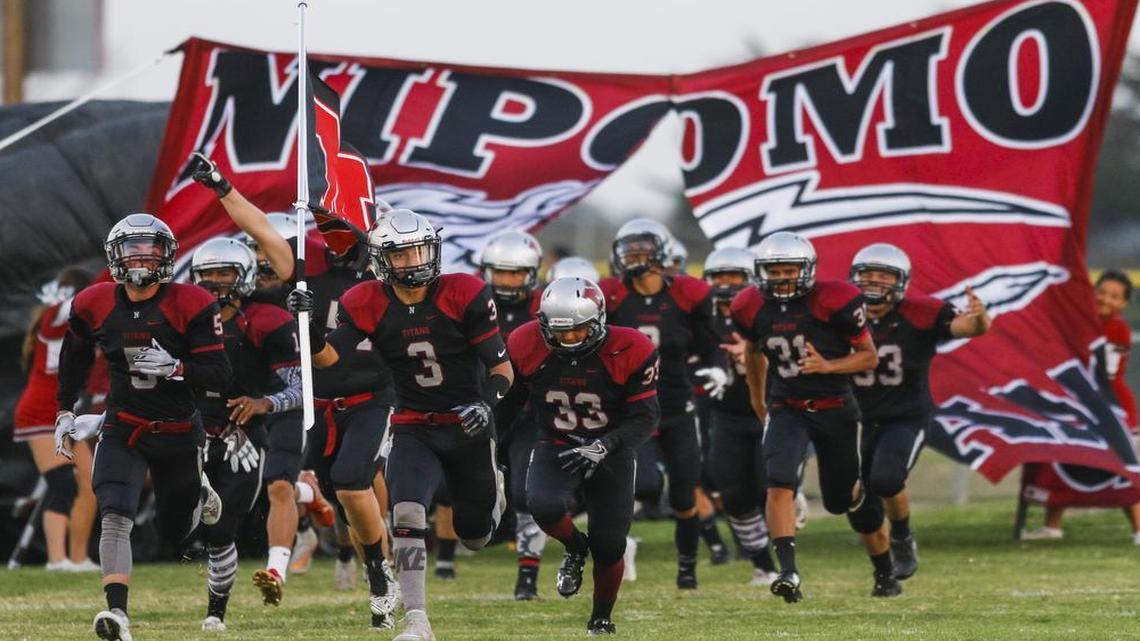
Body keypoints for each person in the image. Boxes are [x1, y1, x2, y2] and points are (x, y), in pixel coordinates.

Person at [189, 152, 396, 620]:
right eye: (335, 224)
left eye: (353, 226)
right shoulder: (309, 263)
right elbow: (262, 230)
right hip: (317, 397)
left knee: (352, 483)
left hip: (373, 393)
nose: (345, 236)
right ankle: (368, 567)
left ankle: (382, 581)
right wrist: (224, 187)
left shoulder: (390, 272)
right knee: (328, 493)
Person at [297, 209, 512, 641]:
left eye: (419, 250)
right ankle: (417, 621)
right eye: (401, 254)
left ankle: (494, 491)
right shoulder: (365, 300)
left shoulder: (464, 292)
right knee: (407, 512)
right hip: (413, 423)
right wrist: (307, 327)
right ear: (380, 259)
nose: (413, 262)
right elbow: (331, 362)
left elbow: (502, 368)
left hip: (466, 423)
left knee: (474, 536)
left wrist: (486, 405)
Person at [54, 213, 230, 641]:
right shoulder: (92, 303)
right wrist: (64, 410)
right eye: (132, 250)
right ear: (115, 257)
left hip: (176, 432)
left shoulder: (191, 302)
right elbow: (74, 359)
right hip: (124, 425)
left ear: (167, 257)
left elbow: (221, 376)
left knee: (174, 531)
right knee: (115, 514)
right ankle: (117, 614)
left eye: (151, 251)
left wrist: (176, 367)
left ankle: (200, 490)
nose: (141, 260)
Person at [730, 231, 886, 602]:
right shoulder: (748, 305)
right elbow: (753, 351)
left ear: (807, 269)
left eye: (789, 269)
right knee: (779, 480)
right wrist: (757, 398)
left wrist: (828, 365)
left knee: (838, 501)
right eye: (775, 269)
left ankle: (877, 547)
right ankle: (788, 571)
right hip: (787, 407)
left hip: (835, 408)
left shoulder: (837, 300)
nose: (782, 277)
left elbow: (869, 356)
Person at [514, 277, 659, 634]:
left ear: (598, 322)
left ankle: (601, 617)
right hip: (558, 442)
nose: (569, 340)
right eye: (560, 332)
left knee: (610, 544)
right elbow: (511, 403)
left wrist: (605, 446)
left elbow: (646, 418)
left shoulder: (631, 347)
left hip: (610, 446)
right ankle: (576, 549)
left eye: (578, 331)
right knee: (542, 505)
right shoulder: (524, 342)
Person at [599, 219, 728, 590]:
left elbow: (711, 344)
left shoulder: (689, 294)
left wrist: (717, 369)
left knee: (686, 496)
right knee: (645, 483)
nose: (634, 257)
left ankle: (687, 569)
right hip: (633, 411)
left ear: (659, 254)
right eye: (629, 251)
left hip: (677, 408)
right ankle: (625, 545)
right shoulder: (612, 296)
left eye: (641, 250)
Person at [849, 243, 991, 579]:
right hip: (857, 419)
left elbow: (968, 328)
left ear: (900, 281)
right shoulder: (844, 313)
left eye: (883, 275)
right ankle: (883, 574)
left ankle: (902, 535)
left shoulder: (921, 310)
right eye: (867, 274)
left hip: (905, 416)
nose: (874, 281)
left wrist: (979, 318)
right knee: (854, 500)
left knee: (887, 479)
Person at [188, 237, 306, 630]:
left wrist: (264, 403)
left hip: (243, 435)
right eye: (208, 274)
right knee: (179, 520)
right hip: (194, 427)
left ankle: (215, 612)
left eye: (225, 273)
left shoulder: (267, 320)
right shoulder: (182, 317)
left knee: (222, 529)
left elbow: (302, 388)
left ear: (246, 276)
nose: (216, 282)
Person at [1021, 269, 1140, 542]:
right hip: (1083, 407)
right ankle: (1053, 526)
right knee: (1064, 460)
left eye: (1115, 296)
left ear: (1124, 304)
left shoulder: (1115, 329)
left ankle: (1138, 527)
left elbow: (1096, 374)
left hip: (1112, 409)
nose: (1106, 300)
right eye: (1102, 292)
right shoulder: (1080, 321)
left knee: (1121, 471)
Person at [13, 268, 102, 572]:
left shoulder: (82, 325)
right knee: (62, 484)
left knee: (91, 481)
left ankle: (78, 558)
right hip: (39, 413)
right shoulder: (52, 317)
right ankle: (56, 559)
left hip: (67, 413)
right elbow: (70, 307)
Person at [702, 247, 780, 585]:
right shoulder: (703, 319)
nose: (726, 283)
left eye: (734, 276)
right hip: (725, 416)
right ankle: (764, 565)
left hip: (769, 414)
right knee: (733, 494)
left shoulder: (768, 314)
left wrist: (751, 356)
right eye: (719, 277)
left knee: (770, 487)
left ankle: (785, 557)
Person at [479, 229, 547, 600]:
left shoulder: (545, 308)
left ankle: (527, 577)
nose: (507, 281)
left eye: (515, 274)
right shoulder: (474, 303)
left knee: (525, 493)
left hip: (527, 411)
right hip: (483, 408)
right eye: (500, 273)